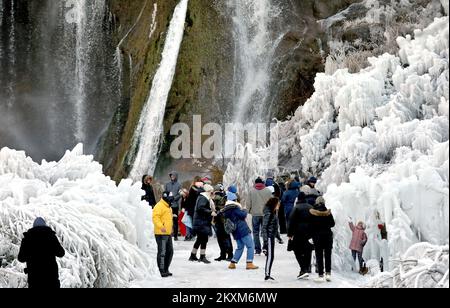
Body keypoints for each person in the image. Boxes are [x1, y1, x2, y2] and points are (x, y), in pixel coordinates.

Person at [18, 217, 65, 288]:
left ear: (33, 226)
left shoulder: (27, 239)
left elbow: (21, 258)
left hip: (35, 279)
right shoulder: (51, 237)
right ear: (45, 225)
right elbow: (61, 253)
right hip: (51, 278)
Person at [222, 191, 259, 270]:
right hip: (242, 229)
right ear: (235, 200)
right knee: (250, 245)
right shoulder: (234, 208)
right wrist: (245, 210)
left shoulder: (227, 209)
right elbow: (243, 215)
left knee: (240, 247)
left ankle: (232, 263)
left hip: (235, 231)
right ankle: (249, 263)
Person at [288, 192, 314, 279]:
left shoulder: (296, 208)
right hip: (309, 233)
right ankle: (306, 268)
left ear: (298, 199)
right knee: (308, 250)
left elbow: (291, 221)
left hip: (298, 233)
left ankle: (303, 269)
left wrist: (290, 234)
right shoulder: (311, 207)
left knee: (297, 250)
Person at [310, 197, 335, 282]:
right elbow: (332, 224)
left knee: (319, 255)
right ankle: (328, 273)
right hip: (327, 236)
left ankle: (320, 274)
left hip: (317, 237)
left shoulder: (313, 212)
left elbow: (311, 226)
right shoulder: (328, 212)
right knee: (328, 255)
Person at [190, 184, 216, 264]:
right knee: (204, 239)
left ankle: (193, 255)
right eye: (211, 191)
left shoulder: (204, 197)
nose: (212, 193)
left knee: (200, 239)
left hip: (201, 222)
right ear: (208, 191)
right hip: (201, 222)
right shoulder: (203, 198)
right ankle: (202, 256)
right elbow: (200, 208)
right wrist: (210, 212)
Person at [248, 177, 273, 255]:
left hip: (255, 214)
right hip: (265, 214)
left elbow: (248, 203)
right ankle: (265, 247)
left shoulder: (251, 191)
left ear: (255, 183)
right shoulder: (268, 191)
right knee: (265, 230)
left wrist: (249, 211)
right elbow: (272, 202)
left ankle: (257, 249)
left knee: (255, 232)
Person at [153, 192, 175, 278]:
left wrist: (171, 228)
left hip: (167, 233)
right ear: (166, 197)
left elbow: (169, 219)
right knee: (162, 252)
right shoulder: (159, 206)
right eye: (170, 197)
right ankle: (161, 270)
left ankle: (166, 268)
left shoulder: (168, 207)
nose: (172, 199)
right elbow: (155, 217)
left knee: (170, 251)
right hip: (160, 233)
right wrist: (160, 226)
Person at [213, 184, 234, 262]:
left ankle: (230, 254)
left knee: (225, 237)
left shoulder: (225, 197)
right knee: (220, 238)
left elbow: (225, 207)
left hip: (224, 220)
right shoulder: (217, 197)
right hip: (218, 220)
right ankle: (223, 254)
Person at [262, 198, 280, 281]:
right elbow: (264, 227)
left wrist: (278, 237)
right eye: (278, 204)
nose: (279, 205)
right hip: (269, 237)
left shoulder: (273, 212)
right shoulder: (269, 213)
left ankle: (268, 273)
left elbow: (275, 227)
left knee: (271, 256)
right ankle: (267, 274)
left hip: (271, 236)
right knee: (270, 256)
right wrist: (265, 241)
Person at [183, 177, 204, 241]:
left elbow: (189, 199)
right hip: (197, 208)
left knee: (190, 222)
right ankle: (192, 235)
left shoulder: (192, 188)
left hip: (192, 208)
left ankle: (191, 235)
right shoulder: (201, 189)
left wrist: (185, 207)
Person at [165, 171, 182, 241]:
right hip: (168, 205)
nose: (172, 177)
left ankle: (175, 236)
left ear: (176, 176)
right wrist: (167, 198)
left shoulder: (179, 185)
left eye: (173, 176)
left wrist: (174, 198)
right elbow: (165, 193)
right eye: (171, 176)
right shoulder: (167, 184)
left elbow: (180, 194)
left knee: (175, 220)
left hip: (175, 205)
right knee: (167, 220)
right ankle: (167, 234)